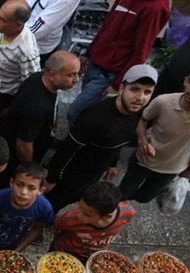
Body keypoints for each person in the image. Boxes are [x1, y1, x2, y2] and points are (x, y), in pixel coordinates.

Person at [45, 64, 156, 214]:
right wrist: (52, 179)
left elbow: (117, 142)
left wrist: (112, 163)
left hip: (95, 173)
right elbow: (66, 149)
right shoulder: (94, 118)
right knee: (54, 202)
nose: (140, 98)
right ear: (122, 89)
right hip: (75, 174)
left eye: (147, 92)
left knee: (75, 199)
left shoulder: (135, 111)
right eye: (134, 89)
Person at [66, 0, 170, 126]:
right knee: (87, 116)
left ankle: (75, 144)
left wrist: (117, 84)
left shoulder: (155, 8)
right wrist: (88, 54)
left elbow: (140, 53)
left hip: (109, 76)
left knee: (75, 113)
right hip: (94, 65)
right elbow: (106, 27)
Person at [118, 75, 190, 203]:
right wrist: (142, 140)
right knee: (122, 194)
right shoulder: (164, 102)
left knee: (144, 198)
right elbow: (142, 119)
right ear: (185, 81)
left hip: (171, 169)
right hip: (143, 161)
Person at [1, 51, 80, 165]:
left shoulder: (37, 77)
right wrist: (29, 168)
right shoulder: (37, 107)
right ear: (52, 75)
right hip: (14, 162)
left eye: (77, 74)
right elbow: (23, 146)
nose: (77, 79)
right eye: (71, 75)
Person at [0, 163, 54, 258]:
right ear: (12, 183)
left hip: (10, 247)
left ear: (41, 190)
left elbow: (37, 229)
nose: (23, 192)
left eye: (31, 188)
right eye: (19, 185)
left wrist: (16, 252)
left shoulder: (44, 208)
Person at [52, 182, 135, 262]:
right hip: (65, 253)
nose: (79, 215)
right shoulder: (70, 218)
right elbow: (57, 228)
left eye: (87, 215)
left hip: (93, 258)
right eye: (79, 207)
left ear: (107, 216)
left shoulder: (128, 212)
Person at [0, 1, 40, 111]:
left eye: (3, 20)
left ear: (18, 24)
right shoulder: (1, 29)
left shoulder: (27, 52)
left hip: (0, 96)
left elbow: (30, 86)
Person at [26, 0, 80, 65]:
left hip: (34, 46)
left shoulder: (66, 1)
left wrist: (12, 36)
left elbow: (37, 30)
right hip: (19, 28)